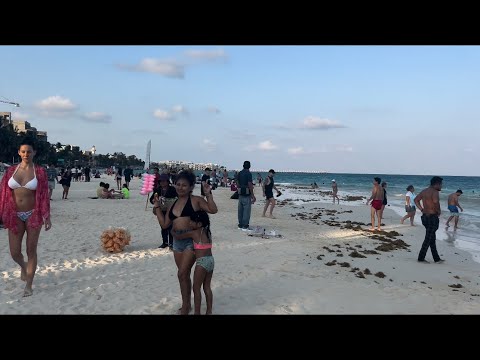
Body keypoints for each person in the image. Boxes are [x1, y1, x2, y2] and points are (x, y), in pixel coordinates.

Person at [153, 169, 217, 315]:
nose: (180, 187)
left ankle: (188, 307)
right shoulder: (172, 204)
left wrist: (208, 194)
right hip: (177, 242)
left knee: (181, 273)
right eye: (178, 184)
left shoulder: (196, 200)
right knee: (183, 275)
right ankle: (186, 305)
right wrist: (157, 207)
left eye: (184, 185)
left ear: (191, 187)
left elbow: (213, 209)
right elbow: (164, 224)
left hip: (190, 241)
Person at [0, 138, 52, 297]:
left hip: (33, 214)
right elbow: (2, 192)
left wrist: (47, 216)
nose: (26, 154)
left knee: (31, 250)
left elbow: (43, 195)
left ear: (34, 152)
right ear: (19, 152)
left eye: (29, 151)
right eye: (23, 151)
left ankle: (29, 285)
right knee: (15, 252)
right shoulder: (10, 171)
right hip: (13, 213)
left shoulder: (40, 171)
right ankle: (23, 267)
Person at [188, 210, 214, 315]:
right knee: (207, 287)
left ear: (198, 224)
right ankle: (209, 311)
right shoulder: (208, 232)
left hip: (201, 262)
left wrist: (173, 231)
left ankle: (197, 312)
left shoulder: (194, 233)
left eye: (191, 222)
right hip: (211, 260)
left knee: (196, 288)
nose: (189, 223)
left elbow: (179, 236)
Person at [414, 176, 444, 263]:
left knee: (431, 238)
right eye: (441, 184)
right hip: (432, 217)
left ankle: (436, 258)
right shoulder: (434, 192)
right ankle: (421, 258)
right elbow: (435, 202)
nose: (441, 186)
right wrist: (438, 211)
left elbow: (416, 200)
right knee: (428, 238)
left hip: (425, 217)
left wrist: (422, 209)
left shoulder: (424, 191)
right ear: (437, 184)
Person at [149, 173, 178, 249]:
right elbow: (151, 200)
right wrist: (154, 200)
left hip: (171, 210)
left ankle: (171, 243)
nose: (162, 183)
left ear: (168, 181)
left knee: (171, 227)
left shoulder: (173, 189)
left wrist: (168, 200)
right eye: (161, 181)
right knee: (163, 227)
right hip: (161, 211)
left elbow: (178, 198)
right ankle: (165, 243)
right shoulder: (157, 190)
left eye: (164, 181)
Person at [236, 161, 256, 230]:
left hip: (240, 192)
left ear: (243, 165)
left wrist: (240, 187)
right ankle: (245, 225)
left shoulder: (240, 173)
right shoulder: (249, 173)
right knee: (246, 210)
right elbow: (250, 184)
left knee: (240, 209)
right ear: (249, 166)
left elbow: (237, 183)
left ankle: (240, 224)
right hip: (247, 192)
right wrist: (252, 195)